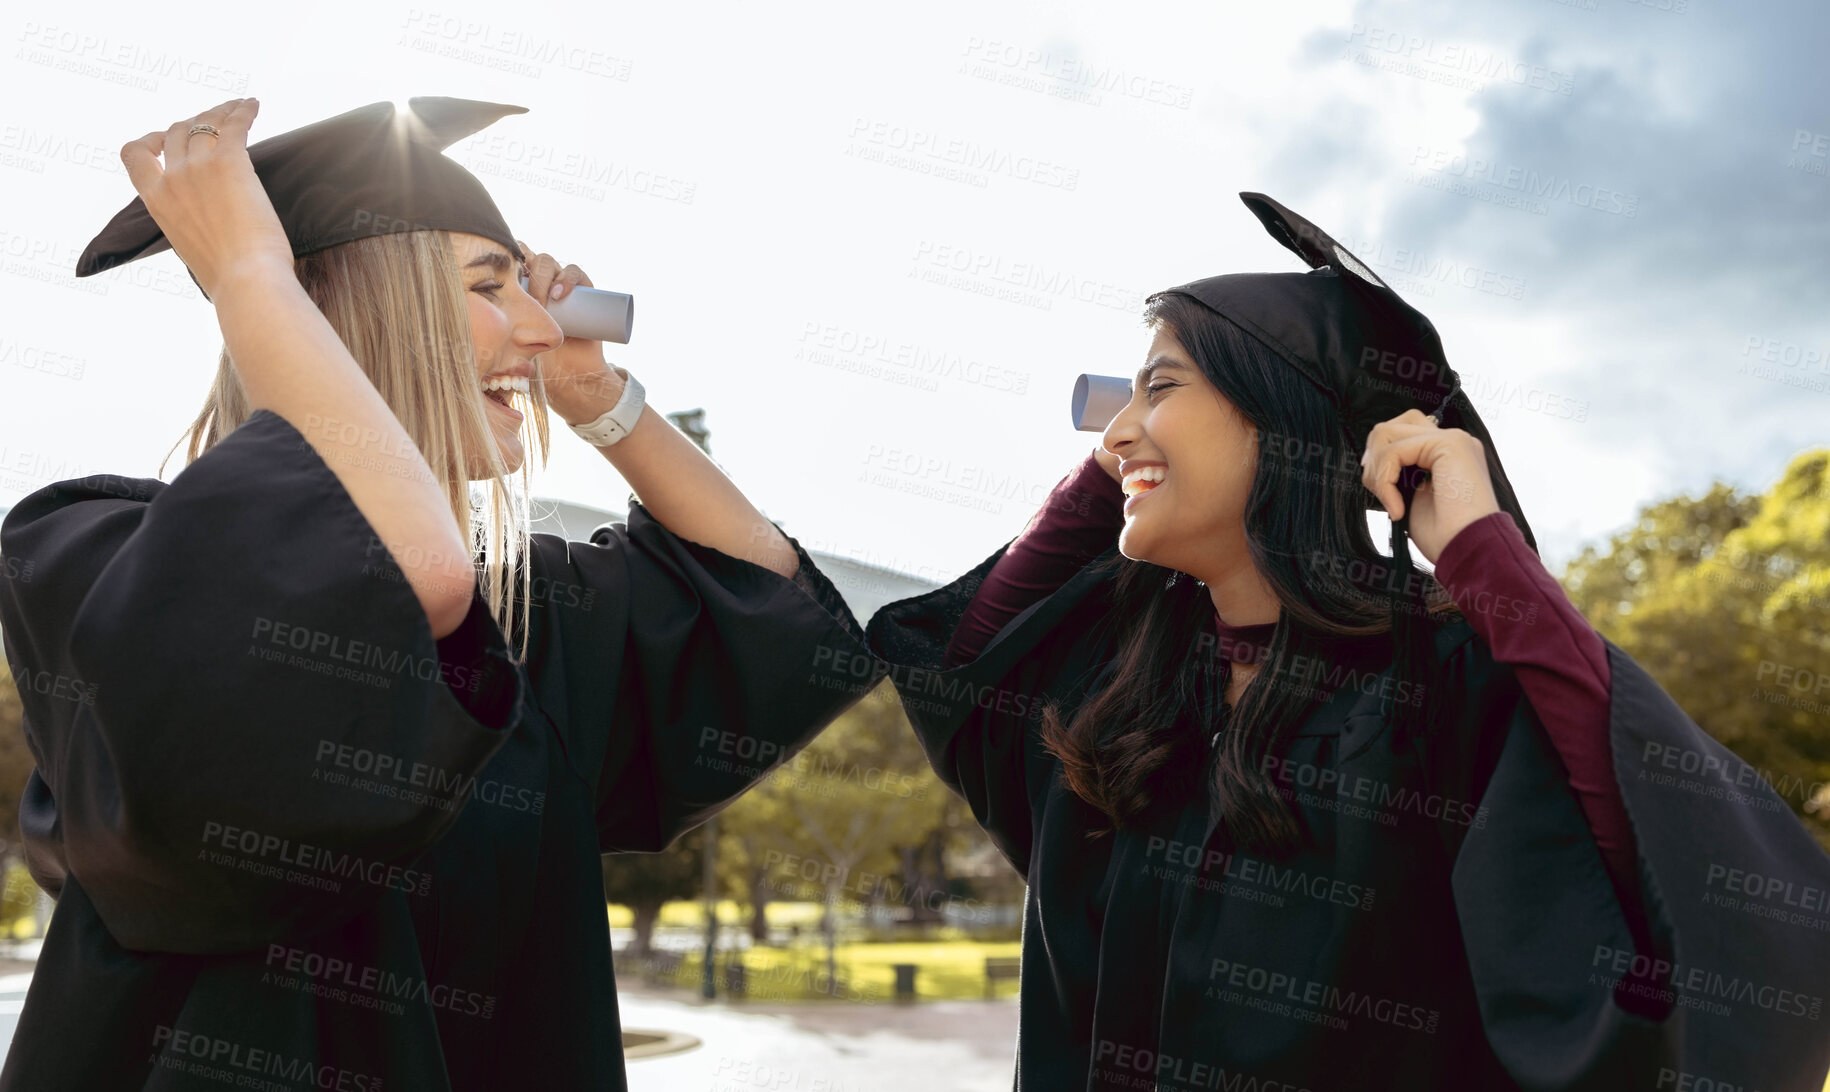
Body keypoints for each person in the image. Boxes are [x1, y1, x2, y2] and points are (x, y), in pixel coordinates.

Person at [0, 97, 885, 1090]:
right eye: (488, 285)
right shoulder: (90, 556)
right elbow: (393, 571)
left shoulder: (522, 625)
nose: (542, 327)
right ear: (343, 307)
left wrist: (600, 403)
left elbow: (771, 612)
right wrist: (250, 272)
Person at [865, 193, 1830, 1090]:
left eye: (1160, 384)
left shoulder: (1440, 681)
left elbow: (1666, 869)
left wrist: (1485, 560)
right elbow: (964, 664)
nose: (1114, 431)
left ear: (1282, 414)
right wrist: (1130, 454)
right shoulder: (1128, 690)